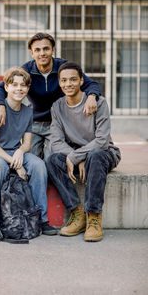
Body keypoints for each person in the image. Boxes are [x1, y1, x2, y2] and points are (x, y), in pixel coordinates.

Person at [0, 32, 101, 161]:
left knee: (52, 160)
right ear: (32, 53)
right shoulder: (26, 70)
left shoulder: (63, 68)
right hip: (33, 122)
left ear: (53, 50)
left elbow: (92, 84)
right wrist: (0, 105)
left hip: (57, 123)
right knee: (30, 159)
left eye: (46, 49)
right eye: (37, 50)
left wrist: (92, 96)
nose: (42, 53)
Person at [46, 62, 121, 242]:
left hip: (104, 153)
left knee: (95, 155)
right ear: (59, 83)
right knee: (51, 160)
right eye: (64, 80)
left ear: (81, 81)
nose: (68, 84)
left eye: (73, 79)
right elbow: (56, 142)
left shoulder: (99, 103)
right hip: (78, 154)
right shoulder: (57, 107)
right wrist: (77, 158)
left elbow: (102, 141)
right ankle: (76, 212)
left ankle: (94, 216)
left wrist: (75, 156)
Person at [0, 67, 57, 240]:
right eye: (14, 84)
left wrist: (20, 152)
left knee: (39, 165)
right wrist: (15, 162)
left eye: (23, 85)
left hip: (16, 152)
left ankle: (41, 219)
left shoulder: (28, 111)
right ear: (6, 87)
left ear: (28, 89)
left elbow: (27, 144)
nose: (19, 88)